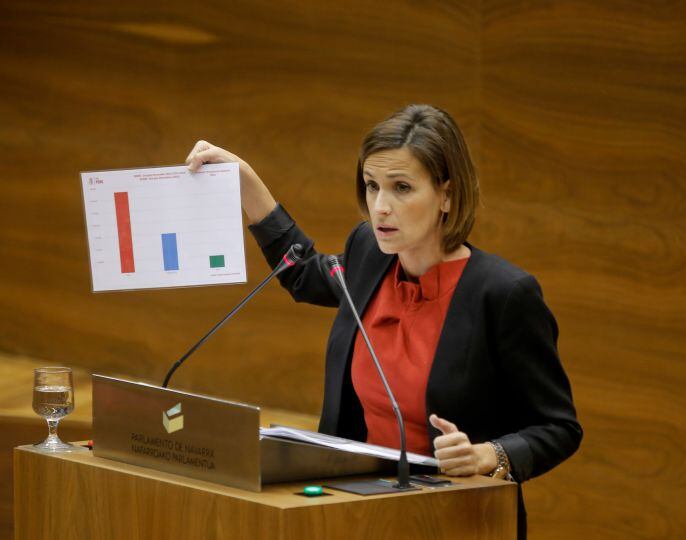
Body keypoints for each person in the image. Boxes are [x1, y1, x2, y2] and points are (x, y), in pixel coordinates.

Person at [186, 104, 582, 537]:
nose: (380, 207)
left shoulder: (503, 294)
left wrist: (491, 454)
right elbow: (302, 274)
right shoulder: (369, 254)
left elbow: (558, 426)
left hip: (457, 519)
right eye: (372, 186)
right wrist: (246, 181)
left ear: (447, 194)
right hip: (358, 512)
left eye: (402, 188)